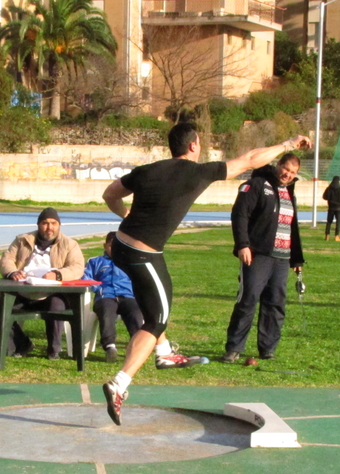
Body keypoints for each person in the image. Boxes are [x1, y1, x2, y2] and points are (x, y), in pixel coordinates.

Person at [100, 122, 312, 425]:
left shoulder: (147, 170)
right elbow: (251, 159)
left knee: (156, 303)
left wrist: (127, 215)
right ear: (193, 146)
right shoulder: (197, 172)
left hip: (121, 246)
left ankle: (163, 352)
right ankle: (119, 383)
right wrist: (289, 142)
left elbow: (110, 194)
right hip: (142, 255)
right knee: (157, 319)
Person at [220, 153, 305, 365]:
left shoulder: (289, 192)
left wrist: (296, 259)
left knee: (275, 303)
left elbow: (291, 227)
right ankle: (234, 348)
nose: (287, 175)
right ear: (278, 165)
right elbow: (240, 214)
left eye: (293, 173)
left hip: (281, 258)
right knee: (248, 300)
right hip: (258, 255)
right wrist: (243, 244)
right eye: (285, 169)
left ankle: (267, 348)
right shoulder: (258, 184)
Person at [0, 207, 85, 360]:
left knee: (57, 307)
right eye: (45, 223)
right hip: (23, 292)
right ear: (38, 225)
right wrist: (12, 272)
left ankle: (54, 349)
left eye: (54, 223)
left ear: (59, 225)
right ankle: (21, 343)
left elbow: (77, 267)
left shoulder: (70, 244)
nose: (49, 227)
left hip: (52, 293)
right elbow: (6, 260)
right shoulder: (22, 240)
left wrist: (58, 275)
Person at [83, 232, 144, 363]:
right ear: (105, 246)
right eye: (112, 246)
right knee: (106, 313)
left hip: (127, 296)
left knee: (135, 313)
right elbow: (86, 278)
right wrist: (98, 289)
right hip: (106, 296)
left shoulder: (131, 262)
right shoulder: (95, 262)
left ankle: (136, 346)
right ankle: (110, 347)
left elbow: (140, 280)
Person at [322, 175, 340, 241]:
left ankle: (327, 236)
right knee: (338, 222)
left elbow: (324, 197)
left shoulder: (329, 188)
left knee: (329, 222)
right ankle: (336, 236)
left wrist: (330, 199)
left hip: (331, 208)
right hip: (338, 208)